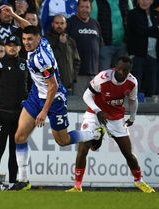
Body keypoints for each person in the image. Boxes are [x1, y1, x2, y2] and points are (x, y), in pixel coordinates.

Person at [11, 25, 106, 191]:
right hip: (36, 95)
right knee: (19, 136)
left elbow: (53, 86)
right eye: (24, 39)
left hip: (54, 99)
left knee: (63, 141)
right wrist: (13, 14)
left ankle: (95, 134)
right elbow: (27, 26)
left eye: (29, 39)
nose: (26, 43)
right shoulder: (43, 41)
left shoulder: (42, 59)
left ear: (37, 39)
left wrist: (44, 111)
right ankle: (23, 180)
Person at [66, 56, 156, 193]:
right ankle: (77, 185)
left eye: (125, 70)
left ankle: (139, 181)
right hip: (95, 114)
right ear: (115, 67)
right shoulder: (103, 77)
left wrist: (132, 117)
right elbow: (86, 95)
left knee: (128, 153)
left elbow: (133, 100)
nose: (121, 72)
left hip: (116, 118)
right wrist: (98, 111)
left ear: (129, 70)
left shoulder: (132, 82)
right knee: (83, 148)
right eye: (119, 69)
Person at [0, 35, 28, 190]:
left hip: (20, 115)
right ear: (5, 47)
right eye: (9, 45)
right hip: (2, 114)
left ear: (20, 47)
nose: (12, 48)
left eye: (14, 45)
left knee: (14, 150)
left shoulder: (26, 65)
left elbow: (30, 89)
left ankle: (12, 182)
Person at [67, 0, 102, 96]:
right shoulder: (69, 23)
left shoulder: (95, 23)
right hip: (78, 73)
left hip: (94, 73)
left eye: (87, 7)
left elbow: (99, 45)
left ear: (91, 9)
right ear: (77, 8)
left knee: (93, 104)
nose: (84, 10)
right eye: (82, 7)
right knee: (79, 103)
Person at [45, 14, 80, 92]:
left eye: (62, 23)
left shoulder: (70, 40)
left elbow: (76, 60)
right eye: (57, 23)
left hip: (68, 86)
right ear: (52, 24)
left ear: (65, 25)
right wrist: (61, 44)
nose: (59, 26)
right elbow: (48, 60)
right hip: (51, 86)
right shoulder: (46, 40)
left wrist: (73, 78)